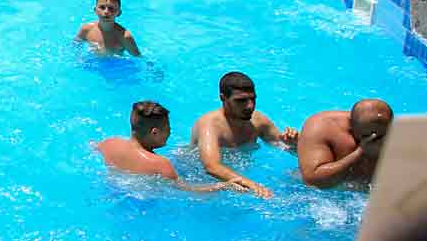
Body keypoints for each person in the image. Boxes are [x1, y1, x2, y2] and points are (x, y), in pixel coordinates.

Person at [95, 101, 256, 193]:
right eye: (168, 129)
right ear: (155, 132)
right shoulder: (160, 164)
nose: (170, 132)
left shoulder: (109, 143)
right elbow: (189, 191)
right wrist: (223, 185)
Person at [190, 72, 300, 198]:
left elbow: (284, 146)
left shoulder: (258, 120)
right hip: (197, 176)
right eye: (241, 101)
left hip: (235, 172)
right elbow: (211, 166)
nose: (250, 106)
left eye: (253, 99)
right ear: (223, 98)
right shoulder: (209, 125)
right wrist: (252, 184)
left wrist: (294, 144)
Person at [297, 99, 394, 189]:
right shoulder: (322, 126)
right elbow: (312, 181)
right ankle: (299, 147)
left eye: (381, 136)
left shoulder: (398, 133)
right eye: (365, 136)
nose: (374, 140)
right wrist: (360, 152)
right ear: (351, 126)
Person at [74, 0, 140, 56]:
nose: (106, 11)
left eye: (111, 8)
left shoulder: (124, 37)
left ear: (119, 13)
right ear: (95, 10)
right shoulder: (86, 29)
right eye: (102, 7)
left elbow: (138, 58)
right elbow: (75, 46)